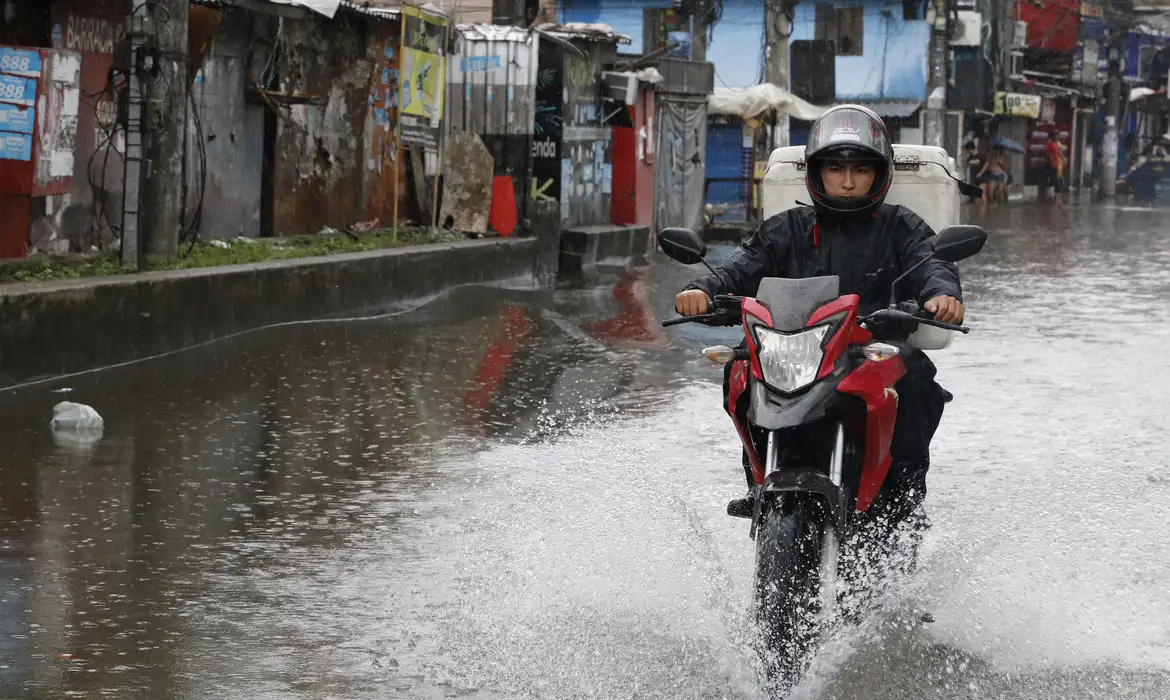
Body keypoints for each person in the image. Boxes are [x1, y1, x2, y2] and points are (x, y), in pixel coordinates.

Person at [674, 104, 964, 527]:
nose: (847, 182)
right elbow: (740, 267)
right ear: (816, 173)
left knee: (917, 378)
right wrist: (702, 289)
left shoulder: (900, 225)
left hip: (869, 346)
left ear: (879, 174)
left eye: (861, 170)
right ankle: (757, 479)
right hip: (795, 347)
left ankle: (901, 499)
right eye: (834, 169)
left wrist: (942, 295)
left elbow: (934, 263)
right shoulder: (785, 229)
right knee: (739, 367)